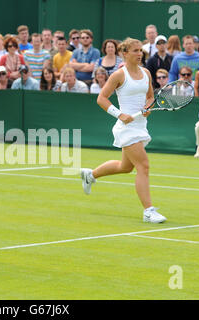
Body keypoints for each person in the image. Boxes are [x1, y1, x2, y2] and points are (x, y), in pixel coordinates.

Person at [80, 37, 166, 224]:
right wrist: (120, 114)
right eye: (135, 50)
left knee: (125, 167)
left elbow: (150, 96)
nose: (139, 54)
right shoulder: (119, 75)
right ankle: (148, 211)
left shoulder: (146, 73)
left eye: (140, 50)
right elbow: (101, 98)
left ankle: (90, 175)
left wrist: (148, 106)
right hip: (126, 128)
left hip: (140, 126)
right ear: (124, 53)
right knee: (143, 166)